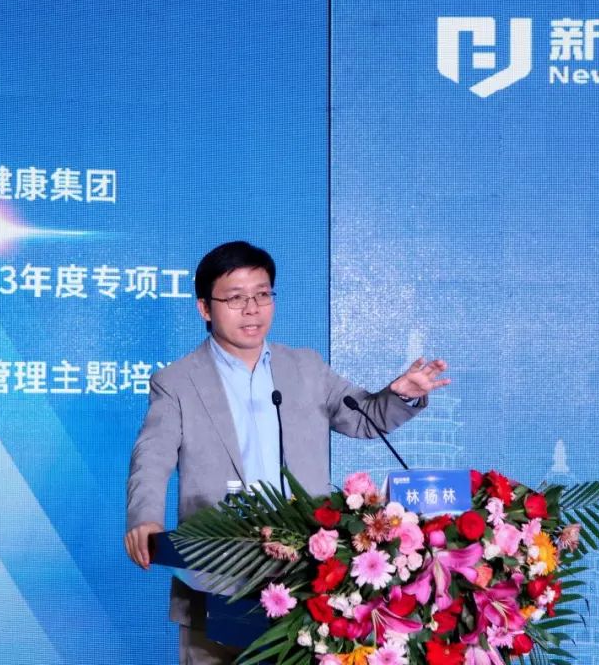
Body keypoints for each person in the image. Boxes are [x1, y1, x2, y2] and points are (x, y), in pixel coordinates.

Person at [124, 241, 449, 664]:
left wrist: (401, 394)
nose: (252, 309)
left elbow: (364, 418)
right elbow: (152, 457)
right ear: (205, 308)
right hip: (217, 578)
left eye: (262, 294)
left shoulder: (306, 368)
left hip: (309, 580)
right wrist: (144, 518)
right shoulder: (177, 381)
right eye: (235, 298)